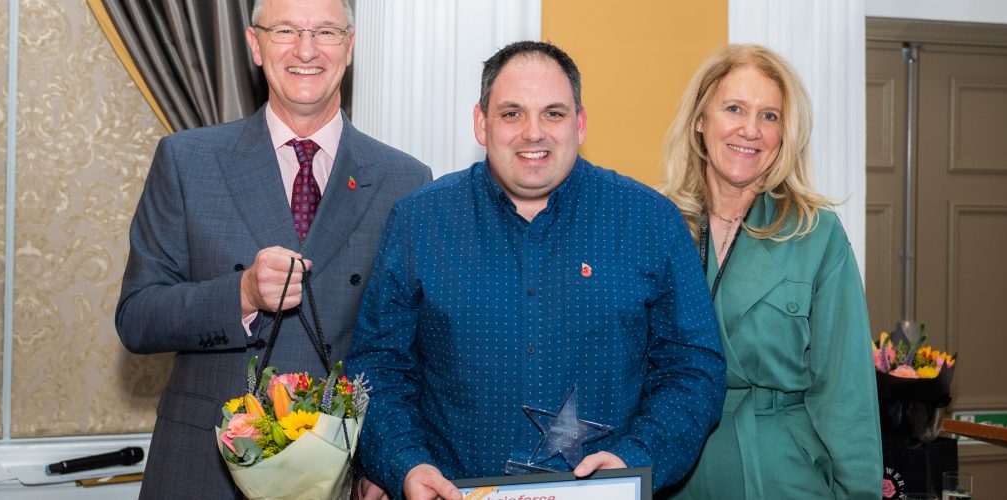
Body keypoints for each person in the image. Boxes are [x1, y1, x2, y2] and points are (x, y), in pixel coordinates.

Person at [347, 40, 727, 500]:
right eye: (511, 114)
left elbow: (694, 368)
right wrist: (406, 465)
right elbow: (377, 365)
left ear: (580, 123)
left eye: (553, 113)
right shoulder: (419, 221)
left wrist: (636, 458)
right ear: (480, 123)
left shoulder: (650, 222)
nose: (533, 132)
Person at [114, 0, 431, 497]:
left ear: (349, 47)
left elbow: (407, 354)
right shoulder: (186, 160)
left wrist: (387, 460)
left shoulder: (404, 180)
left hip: (344, 475)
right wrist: (240, 294)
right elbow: (137, 318)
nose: (306, 49)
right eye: (285, 30)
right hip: (204, 469)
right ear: (254, 45)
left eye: (326, 31)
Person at [657, 44, 882, 499]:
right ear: (701, 119)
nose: (750, 130)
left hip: (781, 471)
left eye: (769, 116)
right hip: (675, 467)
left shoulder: (817, 234)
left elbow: (846, 392)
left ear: (784, 133)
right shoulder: (653, 225)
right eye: (734, 108)